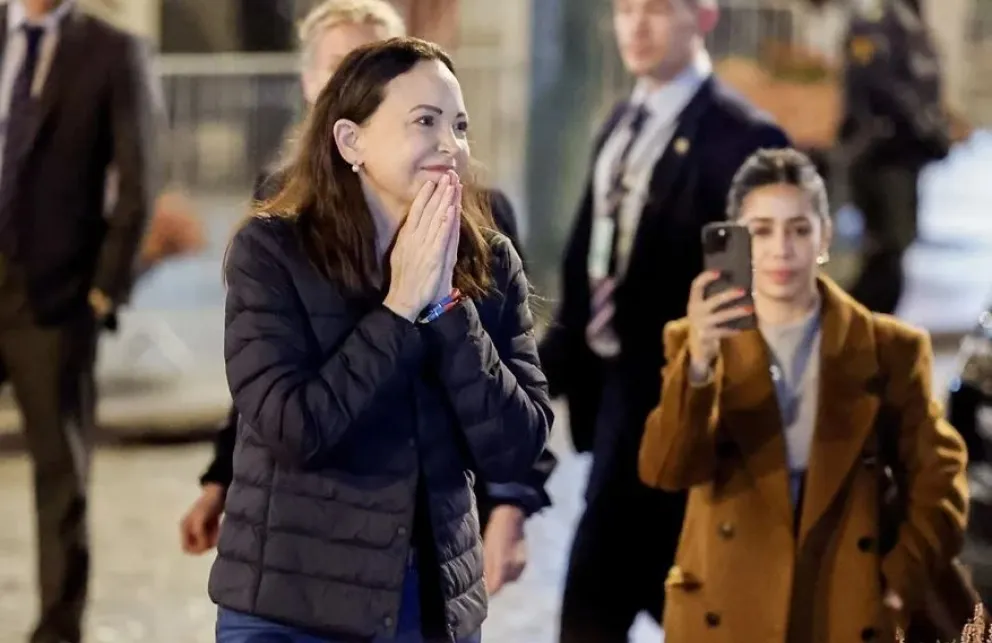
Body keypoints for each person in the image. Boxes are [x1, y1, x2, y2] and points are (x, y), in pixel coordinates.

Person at [180, 0, 554, 599]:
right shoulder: (274, 242)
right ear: (349, 134)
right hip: (297, 594)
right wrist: (399, 306)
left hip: (427, 596)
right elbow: (284, 419)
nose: (450, 144)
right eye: (425, 121)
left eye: (458, 124)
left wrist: (445, 307)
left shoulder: (487, 251)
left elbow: (518, 440)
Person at [638, 148, 969, 642]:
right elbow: (666, 469)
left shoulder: (888, 348)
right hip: (728, 610)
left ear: (824, 237)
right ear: (737, 239)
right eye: (761, 230)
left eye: (798, 228)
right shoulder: (695, 340)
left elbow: (938, 479)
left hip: (842, 605)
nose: (781, 249)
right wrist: (701, 362)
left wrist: (898, 584)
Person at [537, 0, 789, 638]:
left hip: (678, 417)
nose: (636, 26)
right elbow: (589, 273)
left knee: (609, 606)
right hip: (613, 409)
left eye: (655, 8)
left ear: (703, 15)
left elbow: (741, 310)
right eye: (624, 10)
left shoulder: (743, 138)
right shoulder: (621, 123)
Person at [0, 1, 157, 642]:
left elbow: (139, 175)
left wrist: (104, 291)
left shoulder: (112, 50)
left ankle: (58, 631)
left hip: (56, 300)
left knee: (60, 478)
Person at [840, 0, 952, 314]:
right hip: (882, 154)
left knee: (895, 249)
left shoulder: (908, 20)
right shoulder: (874, 20)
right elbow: (875, 83)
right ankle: (849, 328)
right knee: (886, 253)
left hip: (904, 155)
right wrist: (924, 127)